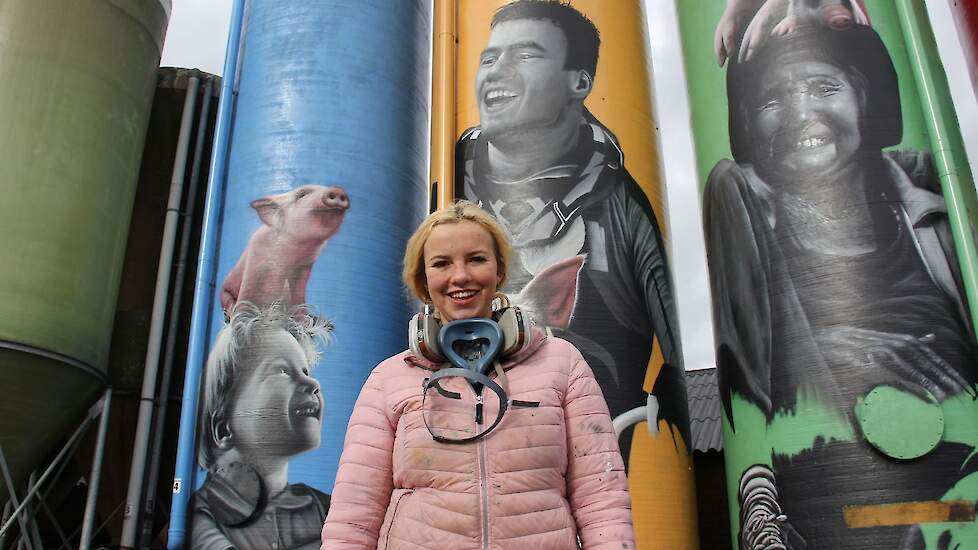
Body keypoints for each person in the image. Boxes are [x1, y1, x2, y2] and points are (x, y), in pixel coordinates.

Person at [704, 23, 978, 548]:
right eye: (771, 102)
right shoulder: (743, 215)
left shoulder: (934, 207)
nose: (801, 112)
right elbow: (745, 375)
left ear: (863, 96)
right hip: (825, 503)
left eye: (824, 88)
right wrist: (820, 346)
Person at [320, 201, 634, 549]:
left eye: (476, 259)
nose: (460, 276)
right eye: (441, 263)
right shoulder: (388, 379)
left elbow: (602, 500)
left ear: (499, 270)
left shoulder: (563, 364)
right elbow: (353, 516)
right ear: (423, 281)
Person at [455, 0, 685, 454]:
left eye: (526, 55)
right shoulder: (447, 189)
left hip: (596, 475)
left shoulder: (619, 205)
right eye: (489, 57)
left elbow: (674, 367)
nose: (498, 70)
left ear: (578, 82)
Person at [190, 300, 334, 550]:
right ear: (223, 428)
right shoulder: (203, 515)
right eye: (281, 372)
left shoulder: (324, 507)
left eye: (306, 371)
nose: (312, 383)